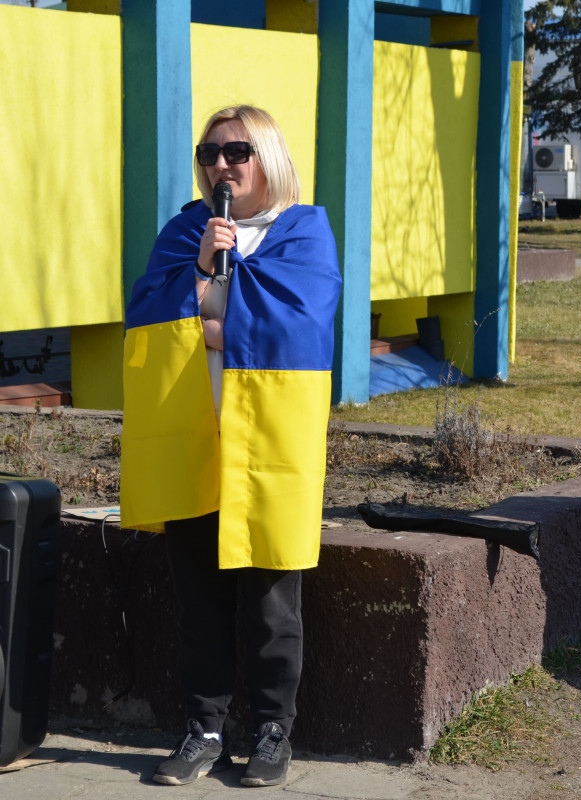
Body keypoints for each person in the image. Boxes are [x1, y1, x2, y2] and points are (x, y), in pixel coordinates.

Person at [121, 105, 342, 787]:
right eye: (211, 153)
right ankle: (203, 728)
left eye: (238, 151)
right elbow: (148, 312)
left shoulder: (304, 232)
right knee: (200, 601)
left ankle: (274, 733)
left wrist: (216, 325)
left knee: (274, 600)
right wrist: (202, 265)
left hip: (269, 449)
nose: (222, 165)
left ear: (267, 157)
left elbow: (303, 321)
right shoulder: (189, 231)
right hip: (196, 440)